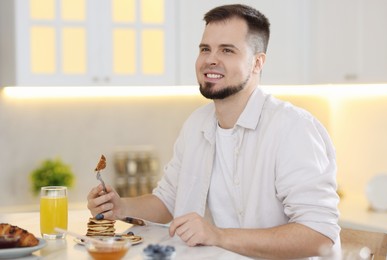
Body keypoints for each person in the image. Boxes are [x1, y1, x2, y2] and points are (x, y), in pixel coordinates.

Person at [87, 4, 340, 259]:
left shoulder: (292, 128)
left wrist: (217, 234)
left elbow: (319, 235)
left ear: (257, 63)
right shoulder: (196, 125)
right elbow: (167, 201)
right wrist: (121, 207)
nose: (210, 59)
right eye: (205, 49)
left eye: (227, 50)